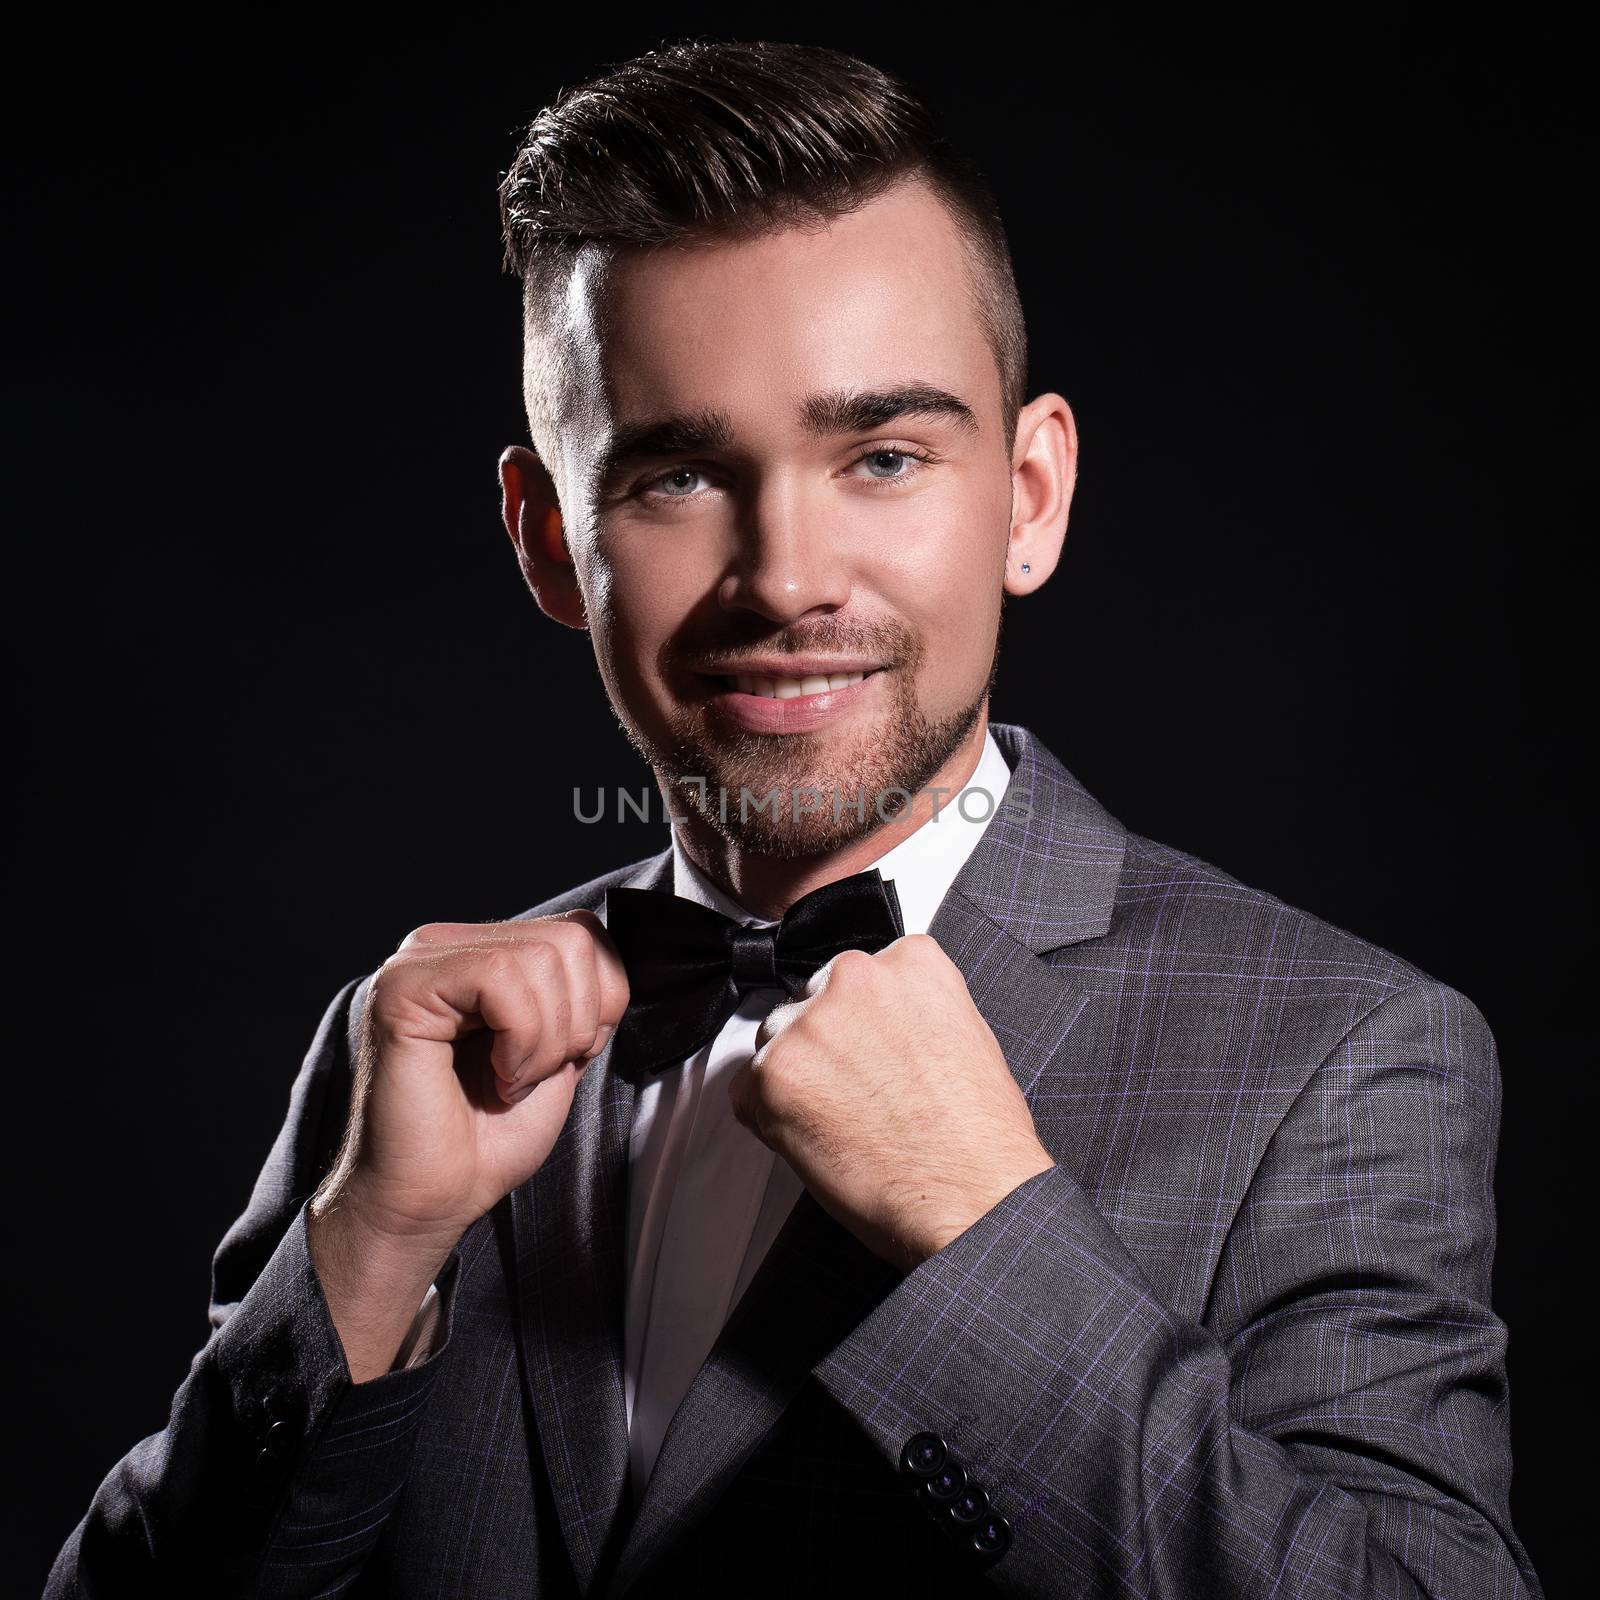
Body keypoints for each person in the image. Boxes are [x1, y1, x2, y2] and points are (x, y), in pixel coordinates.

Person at [46, 38, 1543, 1599]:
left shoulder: (1344, 1057)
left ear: (1028, 496)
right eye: (681, 477)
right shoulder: (403, 1048)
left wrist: (985, 1232)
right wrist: (363, 1258)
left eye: (884, 457)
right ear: (550, 545)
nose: (787, 578)